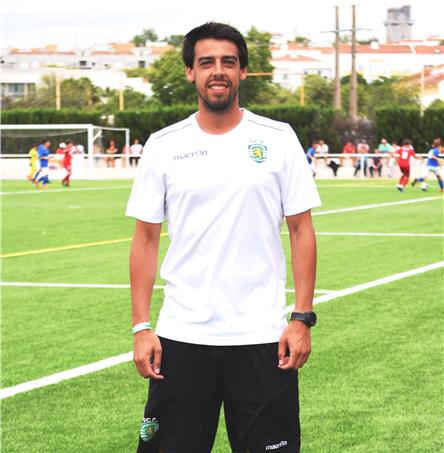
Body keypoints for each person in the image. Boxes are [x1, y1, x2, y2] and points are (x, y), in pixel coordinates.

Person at [126, 22, 321, 453]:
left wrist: (301, 318)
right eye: (206, 62)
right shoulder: (163, 145)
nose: (218, 71)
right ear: (190, 72)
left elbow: (301, 229)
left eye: (228, 62)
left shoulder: (277, 138)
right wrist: (141, 327)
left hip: (262, 337)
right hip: (182, 336)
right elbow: (145, 240)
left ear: (243, 72)